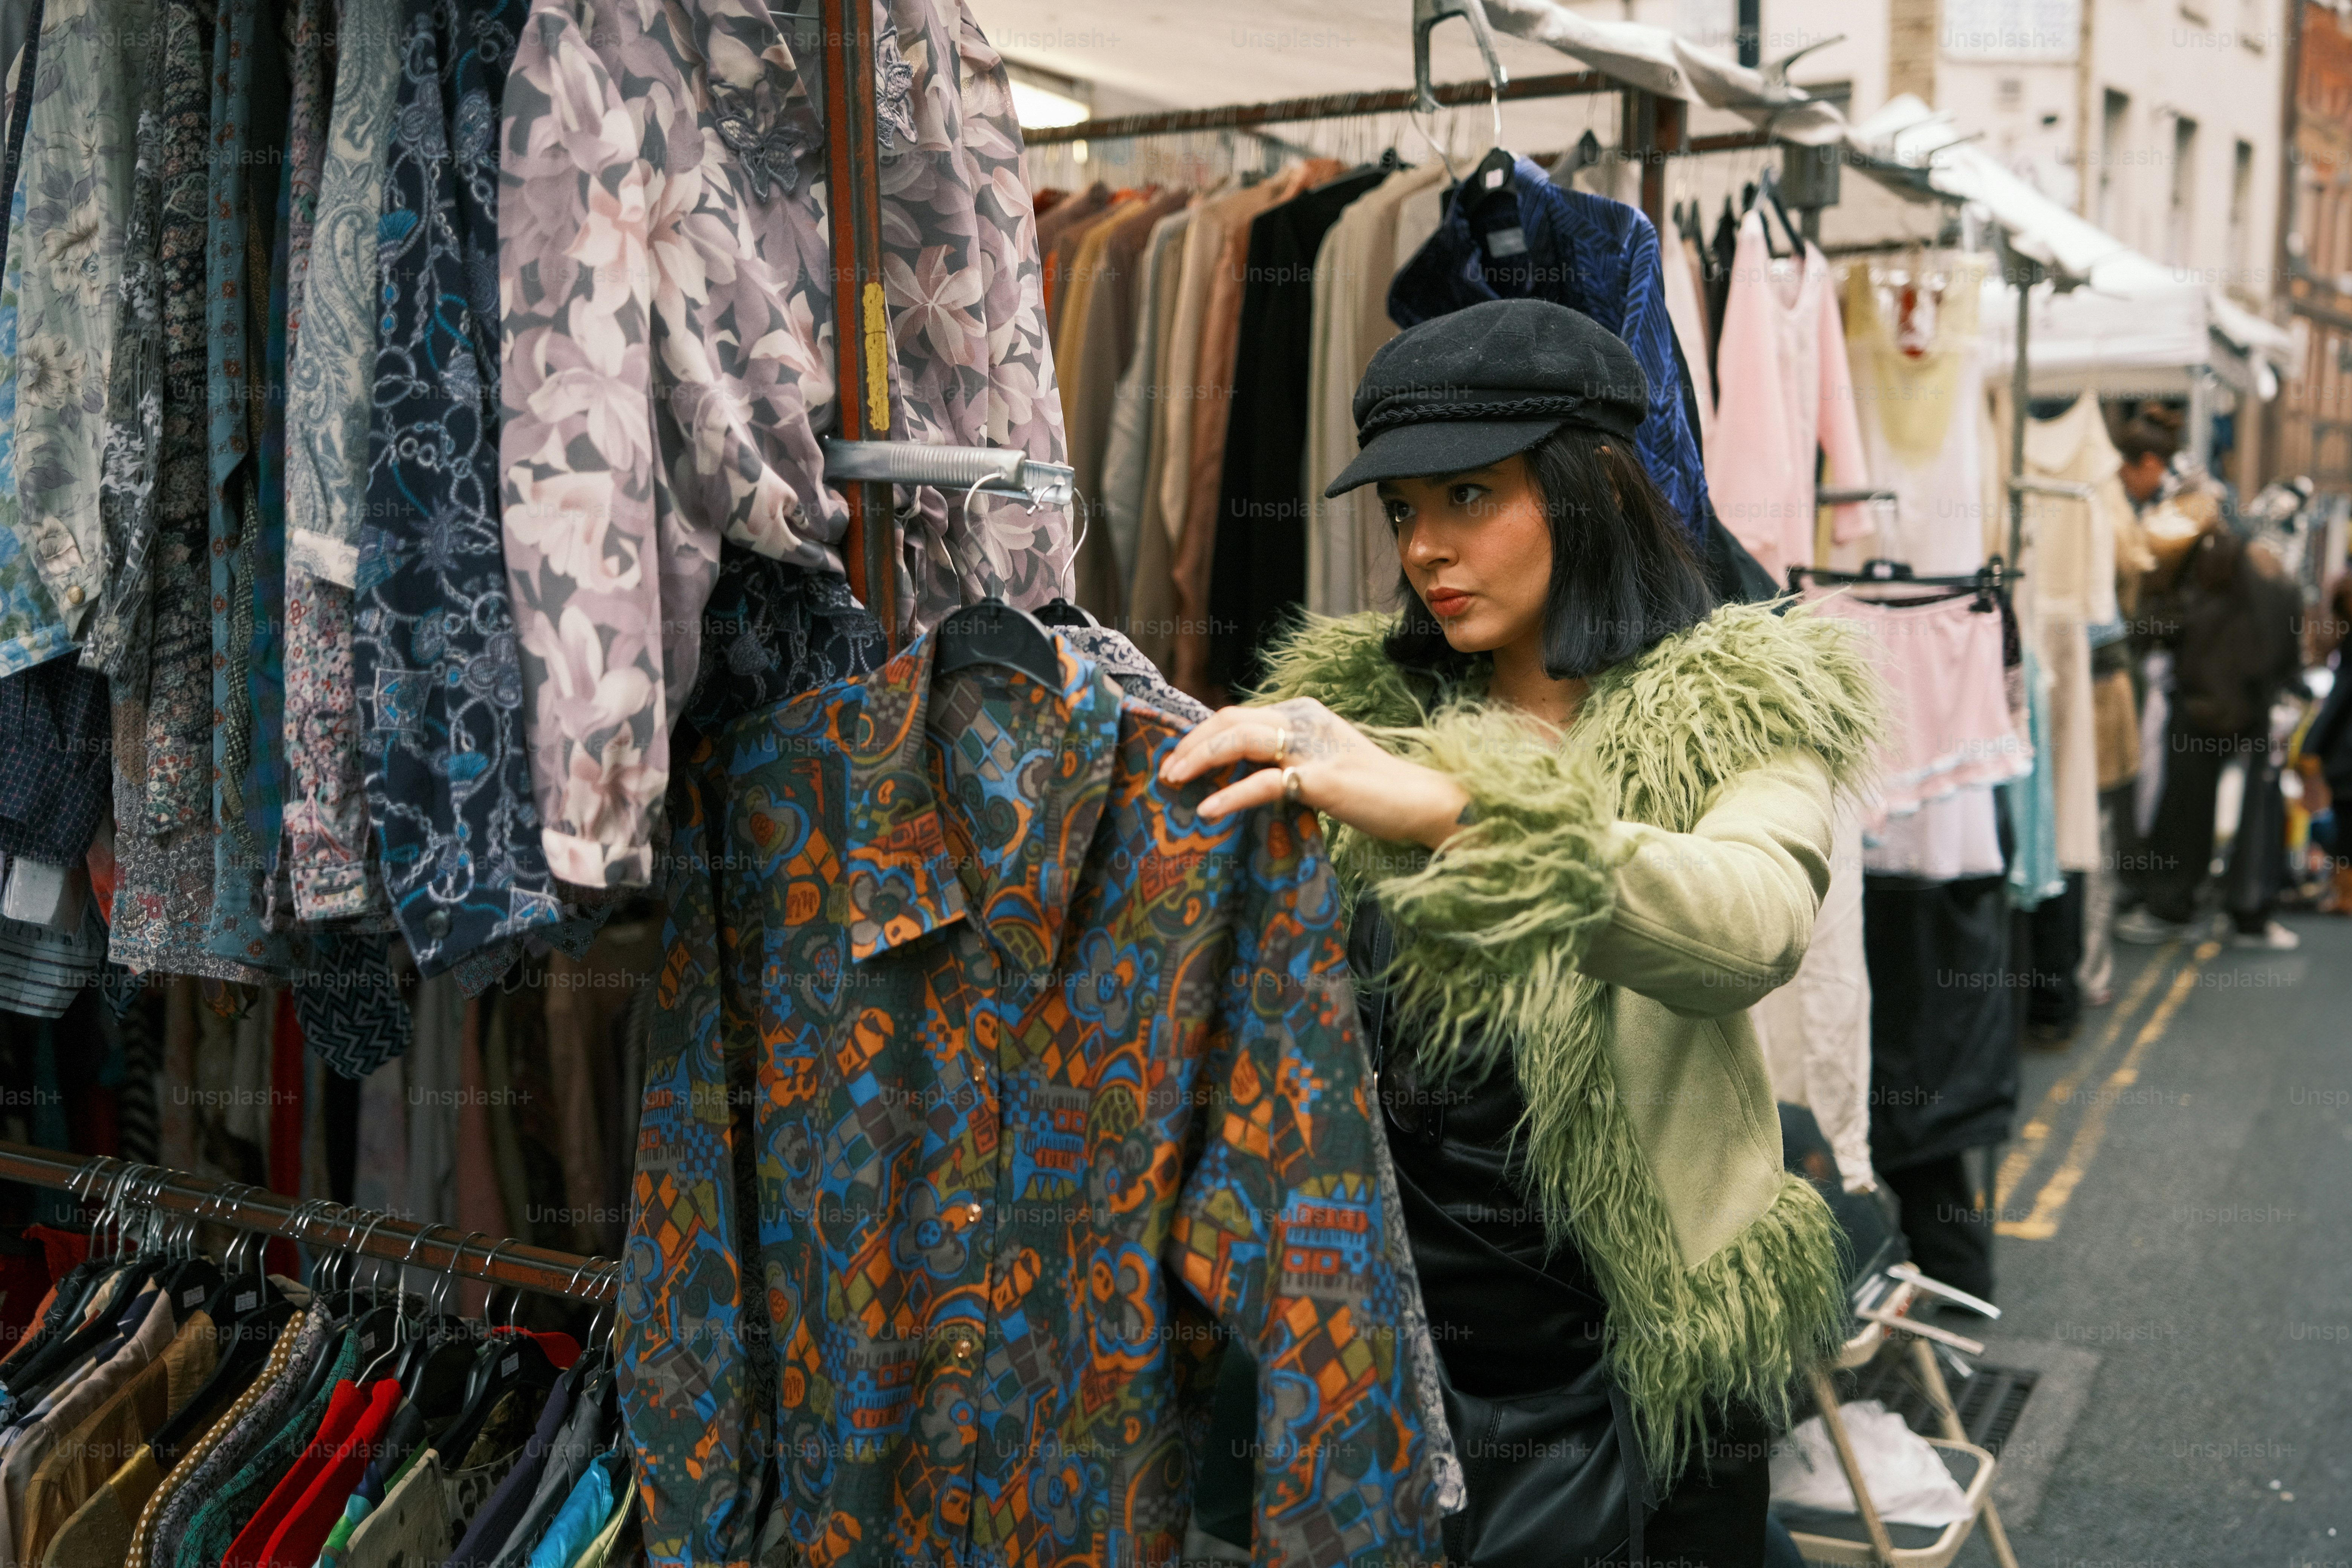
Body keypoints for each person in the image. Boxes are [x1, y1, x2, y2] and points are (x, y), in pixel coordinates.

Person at [1160, 298, 1885, 1568]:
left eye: (1468, 498)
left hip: (1623, 1353)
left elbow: (1753, 922)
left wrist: (1450, 806)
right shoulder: (1351, 710)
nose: (1427, 549)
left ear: (1588, 489)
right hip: (1390, 1333)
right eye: (1402, 515)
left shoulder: (1734, 705)